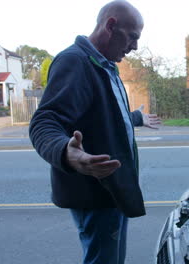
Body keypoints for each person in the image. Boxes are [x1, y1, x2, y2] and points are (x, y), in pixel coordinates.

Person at [28, 1, 161, 263]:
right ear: (110, 26)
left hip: (113, 188)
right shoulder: (75, 62)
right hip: (96, 193)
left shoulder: (105, 65)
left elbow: (101, 112)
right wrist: (67, 153)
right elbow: (45, 121)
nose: (134, 47)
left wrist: (135, 118)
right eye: (132, 37)